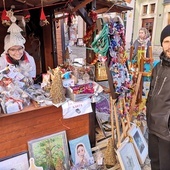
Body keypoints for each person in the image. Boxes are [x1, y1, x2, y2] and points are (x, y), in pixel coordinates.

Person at [146, 24, 170, 170]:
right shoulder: (158, 67)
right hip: (152, 127)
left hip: (167, 133)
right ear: (161, 44)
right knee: (154, 163)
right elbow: (151, 94)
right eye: (167, 42)